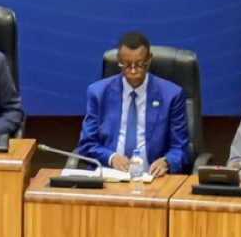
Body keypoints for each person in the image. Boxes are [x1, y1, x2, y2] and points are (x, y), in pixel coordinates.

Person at [76, 31, 189, 177]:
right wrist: (111, 158)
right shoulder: (98, 92)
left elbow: (180, 149)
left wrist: (166, 162)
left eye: (140, 65)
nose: (133, 71)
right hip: (110, 176)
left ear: (149, 60)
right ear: (119, 61)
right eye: (127, 65)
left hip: (152, 178)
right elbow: (87, 144)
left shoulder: (171, 95)